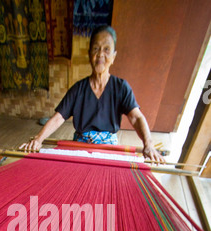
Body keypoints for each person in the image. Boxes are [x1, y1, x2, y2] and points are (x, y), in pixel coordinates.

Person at [19, 25, 165, 163]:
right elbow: (58, 118)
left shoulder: (121, 87)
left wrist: (149, 144)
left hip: (109, 149)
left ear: (114, 56)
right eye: (95, 48)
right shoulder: (78, 89)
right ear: (89, 54)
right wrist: (38, 139)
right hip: (80, 147)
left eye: (106, 49)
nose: (100, 54)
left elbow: (136, 117)